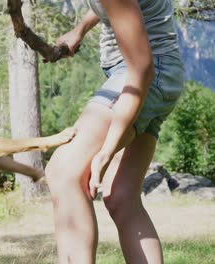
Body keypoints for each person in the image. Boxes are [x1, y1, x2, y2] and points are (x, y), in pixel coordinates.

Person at [45, 0, 184, 263]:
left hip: (142, 76)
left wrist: (107, 150)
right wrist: (80, 29)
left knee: (64, 172)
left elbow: (142, 69)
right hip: (160, 72)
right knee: (121, 196)